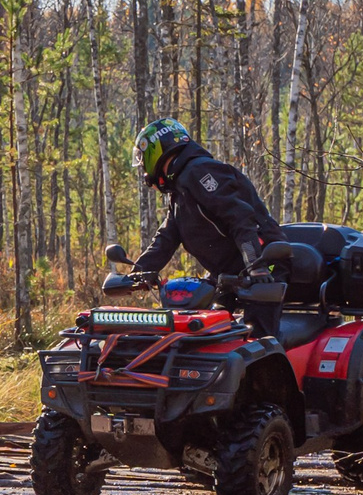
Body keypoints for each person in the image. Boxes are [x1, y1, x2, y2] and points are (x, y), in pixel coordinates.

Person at [118, 117, 286, 334]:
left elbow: (240, 217)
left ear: (156, 151)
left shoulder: (201, 171)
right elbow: (166, 238)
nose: (142, 167)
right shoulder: (180, 189)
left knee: (257, 339)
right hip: (230, 275)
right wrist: (138, 273)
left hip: (265, 266)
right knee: (203, 331)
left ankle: (270, 367)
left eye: (143, 158)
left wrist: (256, 264)